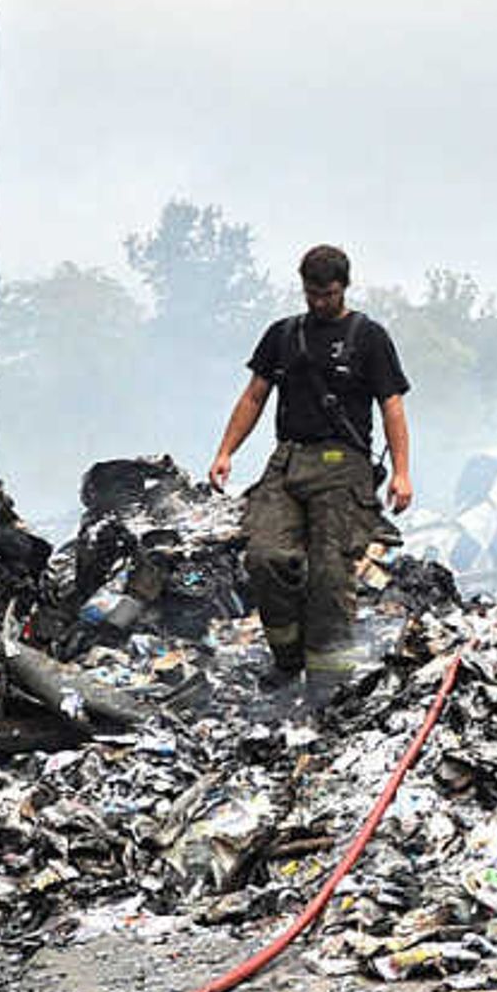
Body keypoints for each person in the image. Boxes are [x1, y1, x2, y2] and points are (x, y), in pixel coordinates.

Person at [207, 245, 414, 678]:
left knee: (329, 576)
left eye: (329, 294)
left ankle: (329, 685)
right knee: (263, 557)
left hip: (344, 466)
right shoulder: (282, 335)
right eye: (312, 294)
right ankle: (288, 663)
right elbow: (254, 396)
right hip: (288, 461)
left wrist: (401, 473)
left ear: (344, 287)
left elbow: (391, 404)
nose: (320, 302)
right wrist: (226, 452)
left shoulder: (368, 337)